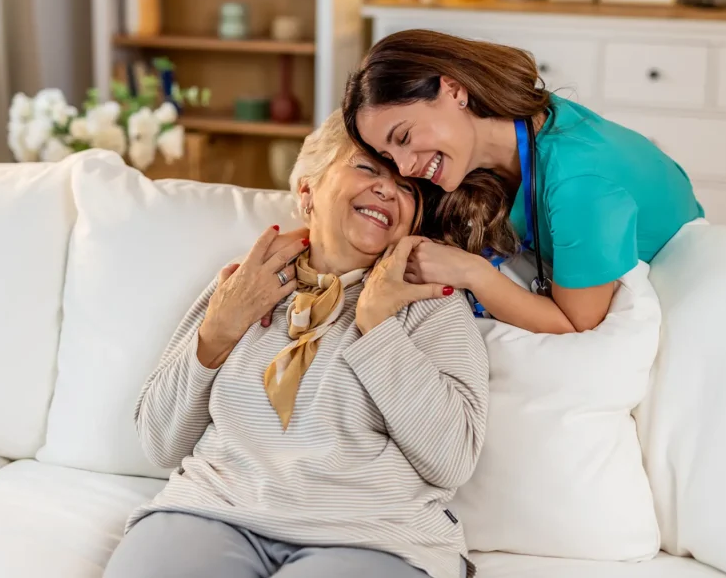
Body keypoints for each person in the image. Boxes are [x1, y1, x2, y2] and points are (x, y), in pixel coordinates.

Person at [105, 111, 488, 578]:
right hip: (213, 510)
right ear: (308, 192)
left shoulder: (429, 302)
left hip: (376, 536)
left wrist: (378, 326)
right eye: (366, 167)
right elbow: (159, 443)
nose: (388, 190)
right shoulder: (248, 284)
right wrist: (219, 329)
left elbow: (452, 460)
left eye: (407, 187)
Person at [342, 29, 704, 334]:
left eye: (404, 137)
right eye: (388, 156)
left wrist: (472, 273)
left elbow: (576, 322)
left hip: (678, 294)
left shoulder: (578, 182)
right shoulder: (511, 133)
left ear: (454, 91)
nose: (405, 168)